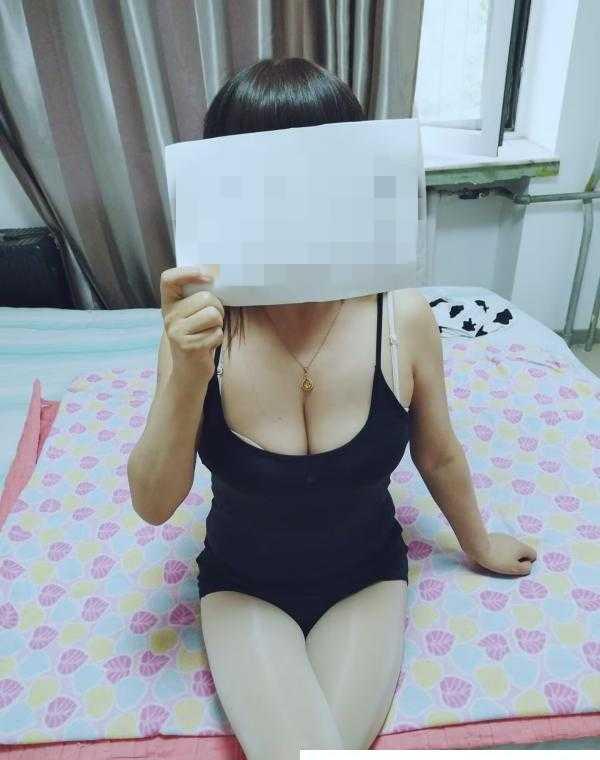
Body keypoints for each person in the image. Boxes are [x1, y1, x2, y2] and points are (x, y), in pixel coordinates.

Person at [128, 57, 537, 759]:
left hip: (364, 576)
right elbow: (154, 502)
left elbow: (438, 451)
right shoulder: (197, 330)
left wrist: (479, 543)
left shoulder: (402, 316)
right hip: (244, 584)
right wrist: (187, 374)